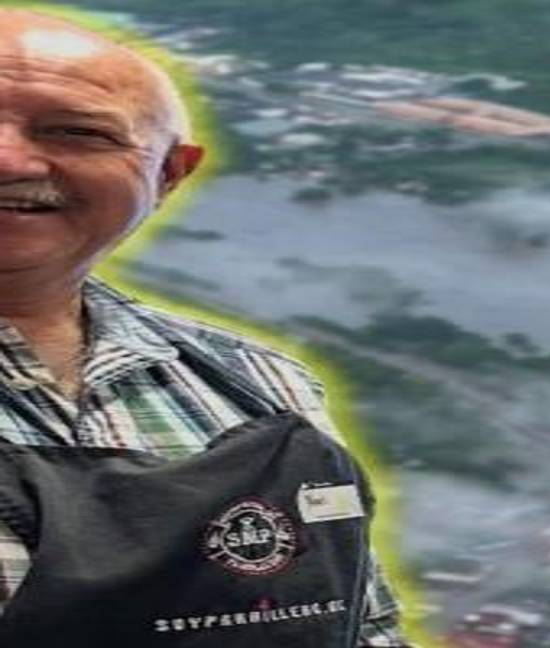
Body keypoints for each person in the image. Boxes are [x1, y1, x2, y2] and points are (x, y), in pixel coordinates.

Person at [0, 8, 411, 646]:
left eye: (76, 132)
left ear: (168, 174)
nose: (8, 158)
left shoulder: (262, 387)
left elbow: (365, 629)